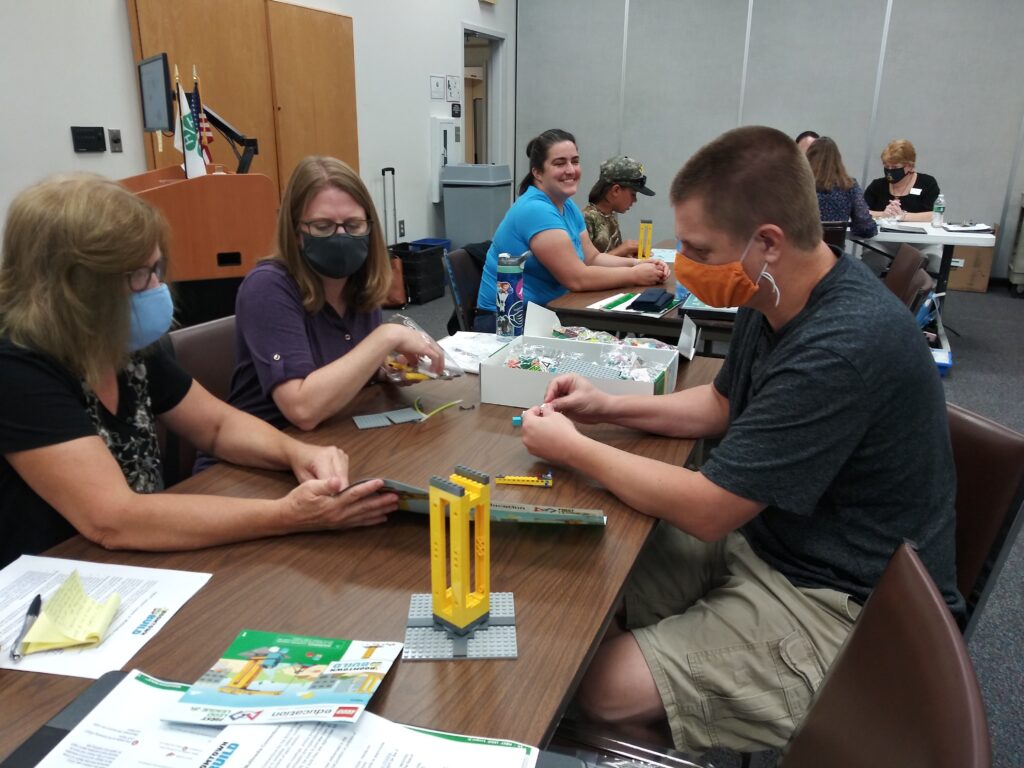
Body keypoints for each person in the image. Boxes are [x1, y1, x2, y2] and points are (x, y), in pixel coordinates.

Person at [519, 126, 960, 753]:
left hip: (843, 606)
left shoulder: (842, 345)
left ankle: (657, 731)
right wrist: (605, 406)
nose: (685, 263)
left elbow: (709, 508)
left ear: (768, 243)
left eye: (698, 248)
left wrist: (574, 447)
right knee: (589, 579)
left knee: (597, 690)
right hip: (778, 542)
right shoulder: (773, 293)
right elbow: (724, 402)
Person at [0, 174, 399, 569]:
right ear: (72, 286)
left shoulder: (122, 340)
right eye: (138, 276)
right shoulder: (18, 367)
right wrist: (287, 515)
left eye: (155, 268)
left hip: (134, 566)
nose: (155, 286)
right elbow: (113, 519)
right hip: (52, 587)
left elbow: (217, 426)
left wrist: (298, 452)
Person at [227, 156, 444, 432]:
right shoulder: (267, 287)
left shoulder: (359, 281)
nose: (341, 237)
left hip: (334, 436)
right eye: (322, 227)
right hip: (259, 454)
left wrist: (392, 369)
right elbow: (302, 409)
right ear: (295, 231)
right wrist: (387, 336)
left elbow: (345, 366)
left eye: (353, 226)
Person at [473, 129, 668, 332]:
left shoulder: (566, 205)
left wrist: (639, 263)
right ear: (538, 173)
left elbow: (592, 258)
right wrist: (635, 275)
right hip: (509, 322)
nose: (570, 170)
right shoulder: (535, 210)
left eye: (574, 161)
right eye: (559, 163)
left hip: (547, 313)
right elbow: (577, 278)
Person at [582, 155, 656, 256]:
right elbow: (583, 265)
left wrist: (629, 254)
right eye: (633, 194)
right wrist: (622, 250)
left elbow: (613, 259)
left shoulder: (610, 217)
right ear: (616, 190)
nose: (635, 200)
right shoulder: (587, 219)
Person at [805, 136, 877, 237]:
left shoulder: (798, 184)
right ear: (838, 159)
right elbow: (865, 227)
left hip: (801, 248)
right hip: (834, 250)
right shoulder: (849, 186)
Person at [863, 139, 940, 222]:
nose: (890, 171)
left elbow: (934, 215)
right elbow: (860, 212)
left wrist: (902, 216)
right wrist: (883, 214)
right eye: (886, 166)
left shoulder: (927, 183)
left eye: (895, 167)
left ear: (910, 166)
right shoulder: (877, 185)